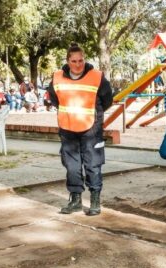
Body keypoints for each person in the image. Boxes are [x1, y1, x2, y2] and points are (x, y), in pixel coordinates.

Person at [48, 43, 113, 216]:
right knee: (72, 165)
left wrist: (96, 115)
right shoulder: (57, 77)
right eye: (74, 61)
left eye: (81, 60)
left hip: (91, 128)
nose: (78, 64)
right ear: (68, 61)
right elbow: (54, 99)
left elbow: (107, 100)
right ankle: (75, 200)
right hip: (67, 128)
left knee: (93, 164)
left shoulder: (97, 76)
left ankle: (94, 200)